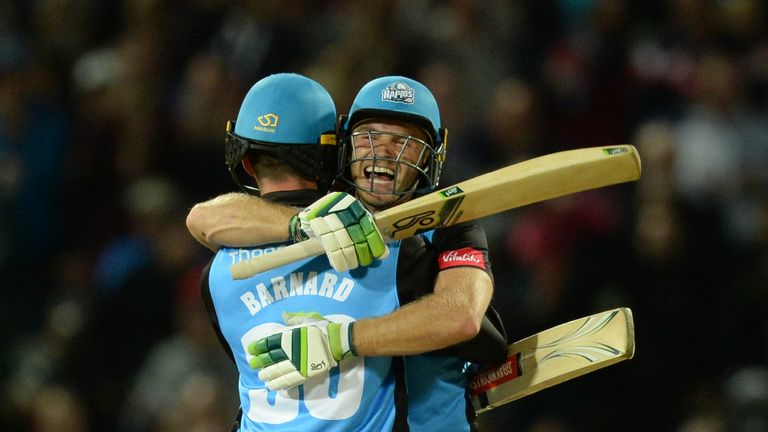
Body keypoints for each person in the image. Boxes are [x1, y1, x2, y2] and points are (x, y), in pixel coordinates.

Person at [188, 74, 506, 431]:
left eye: (405, 142)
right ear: (344, 147)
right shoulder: (339, 220)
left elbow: (464, 320)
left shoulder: (448, 225)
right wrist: (303, 222)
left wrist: (342, 339)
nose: (386, 152)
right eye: (369, 137)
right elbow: (201, 216)